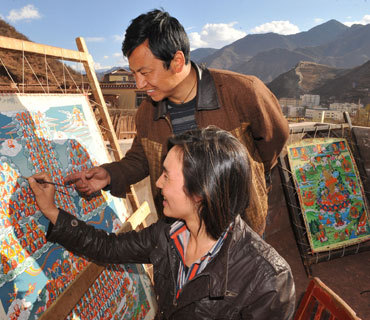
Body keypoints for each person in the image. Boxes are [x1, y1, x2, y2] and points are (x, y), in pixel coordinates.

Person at [28, 126, 295, 319]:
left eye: (167, 176)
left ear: (201, 192)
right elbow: (107, 247)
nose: (157, 183)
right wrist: (52, 212)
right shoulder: (168, 234)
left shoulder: (268, 280)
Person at [65, 9, 289, 236]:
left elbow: (273, 142)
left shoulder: (242, 92)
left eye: (145, 72)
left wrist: (252, 180)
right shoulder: (147, 112)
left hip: (239, 230)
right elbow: (142, 158)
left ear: (177, 61)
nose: (139, 84)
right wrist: (109, 174)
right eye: (134, 73)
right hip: (179, 234)